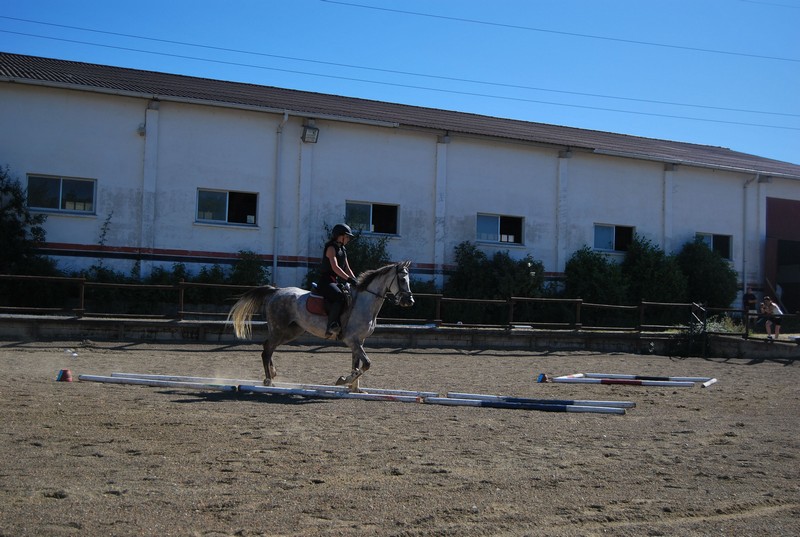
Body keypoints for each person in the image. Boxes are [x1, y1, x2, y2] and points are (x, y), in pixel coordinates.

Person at [316, 223, 358, 337]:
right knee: (340, 297)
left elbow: (347, 268)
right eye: (347, 236)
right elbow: (335, 267)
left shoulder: (343, 249)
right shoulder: (331, 248)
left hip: (334, 281)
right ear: (340, 236)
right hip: (325, 281)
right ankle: (331, 326)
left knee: (348, 297)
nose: (349, 239)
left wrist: (356, 281)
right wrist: (349, 279)